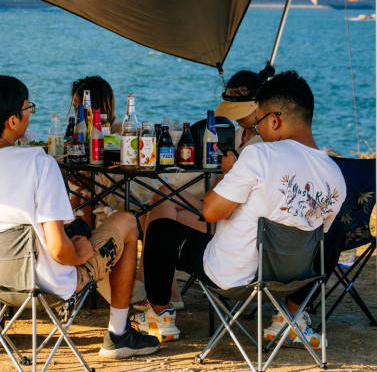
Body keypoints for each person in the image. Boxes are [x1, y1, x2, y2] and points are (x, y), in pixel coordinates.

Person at [0, 75, 160, 359]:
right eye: (27, 108)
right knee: (126, 222)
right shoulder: (39, 164)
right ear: (12, 121)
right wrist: (79, 254)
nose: (29, 115)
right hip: (45, 284)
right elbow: (59, 250)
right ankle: (118, 335)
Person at [132, 71, 346, 349]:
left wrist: (228, 174)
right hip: (293, 278)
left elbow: (210, 212)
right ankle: (291, 319)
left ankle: (159, 316)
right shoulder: (335, 174)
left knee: (162, 230)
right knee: (334, 231)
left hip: (234, 277)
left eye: (259, 123)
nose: (258, 131)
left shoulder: (260, 155)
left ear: (274, 120)